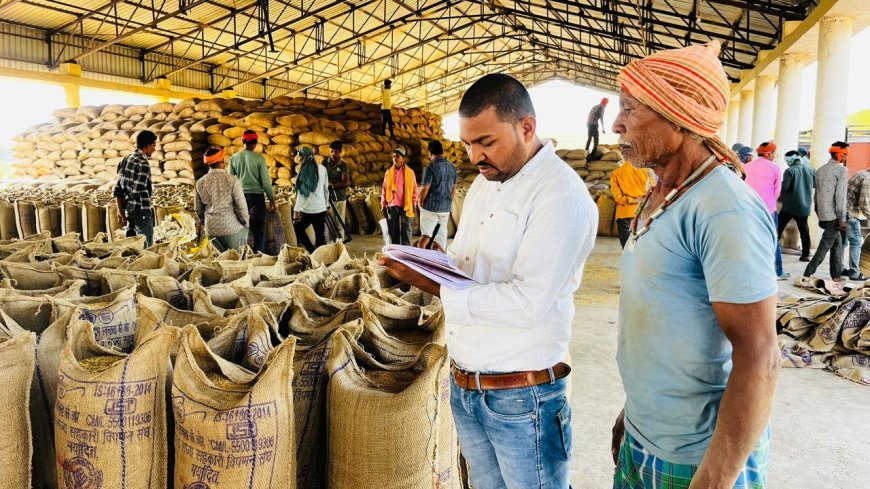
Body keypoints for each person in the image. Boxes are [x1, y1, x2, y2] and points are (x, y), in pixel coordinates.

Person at [377, 73, 597, 488]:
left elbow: (527, 304)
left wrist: (433, 285)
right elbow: (470, 268)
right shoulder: (483, 183)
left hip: (522, 397)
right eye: (467, 143)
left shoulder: (559, 196)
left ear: (526, 127)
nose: (475, 155)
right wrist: (434, 260)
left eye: (486, 142)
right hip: (467, 385)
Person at [612, 41, 779, 489]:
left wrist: (713, 480)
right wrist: (632, 414)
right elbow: (666, 326)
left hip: (697, 457)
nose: (616, 124)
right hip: (646, 439)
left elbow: (760, 358)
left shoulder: (724, 208)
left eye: (631, 109)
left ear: (678, 117)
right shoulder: (661, 193)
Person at [803, 142, 850, 282]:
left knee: (837, 244)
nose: (846, 157)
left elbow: (816, 194)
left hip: (823, 213)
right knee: (824, 246)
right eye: (845, 154)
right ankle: (807, 274)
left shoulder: (821, 170)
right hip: (834, 215)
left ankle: (836, 275)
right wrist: (842, 218)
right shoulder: (841, 170)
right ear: (840, 154)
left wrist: (819, 212)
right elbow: (840, 196)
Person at [745, 141, 787, 280]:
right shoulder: (775, 168)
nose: (775, 155)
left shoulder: (746, 166)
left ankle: (751, 270)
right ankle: (777, 271)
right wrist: (769, 201)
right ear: (768, 154)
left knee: (750, 238)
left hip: (749, 208)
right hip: (768, 209)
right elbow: (777, 192)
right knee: (772, 239)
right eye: (774, 153)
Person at [194, 146, 250, 252]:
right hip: (231, 228)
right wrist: (246, 223)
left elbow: (198, 209)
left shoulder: (200, 182)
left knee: (218, 260)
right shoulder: (232, 180)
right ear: (222, 161)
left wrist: (204, 222)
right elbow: (241, 206)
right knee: (237, 259)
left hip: (211, 230)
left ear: (208, 165)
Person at [229, 130, 275, 253]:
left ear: (242, 141)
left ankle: (241, 254)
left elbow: (230, 182)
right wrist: (272, 200)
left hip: (239, 197)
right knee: (258, 229)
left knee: (240, 228)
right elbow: (266, 184)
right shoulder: (259, 159)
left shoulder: (234, 158)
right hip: (256, 198)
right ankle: (258, 255)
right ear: (255, 144)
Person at [114, 130, 157, 246]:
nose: (154, 149)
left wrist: (120, 209)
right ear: (147, 145)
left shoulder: (125, 159)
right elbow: (137, 190)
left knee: (131, 246)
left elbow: (118, 188)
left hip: (129, 211)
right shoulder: (143, 163)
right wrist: (127, 201)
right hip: (141, 210)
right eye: (153, 145)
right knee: (146, 246)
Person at [418, 140, 458, 249]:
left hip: (430, 208)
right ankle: (440, 256)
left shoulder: (430, 167)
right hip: (445, 209)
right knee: (441, 236)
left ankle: (424, 257)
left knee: (426, 236)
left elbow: (424, 188)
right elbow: (453, 188)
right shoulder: (452, 167)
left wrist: (421, 201)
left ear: (430, 152)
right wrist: (448, 201)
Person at [779, 150, 815, 262]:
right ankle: (805, 255)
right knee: (804, 231)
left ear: (790, 159)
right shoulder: (811, 170)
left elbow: (784, 188)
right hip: (804, 206)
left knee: (778, 228)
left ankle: (770, 250)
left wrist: (779, 195)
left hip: (789, 206)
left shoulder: (789, 171)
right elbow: (815, 184)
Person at [293, 146, 329, 253]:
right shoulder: (322, 169)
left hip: (307, 210)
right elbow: (326, 189)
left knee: (298, 228)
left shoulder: (303, 171)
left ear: (303, 157)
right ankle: (320, 257)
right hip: (321, 208)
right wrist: (327, 205)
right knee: (320, 235)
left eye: (299, 157)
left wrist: (296, 210)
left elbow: (301, 194)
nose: (299, 159)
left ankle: (312, 250)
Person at [380, 147, 418, 246]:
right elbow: (384, 189)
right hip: (392, 204)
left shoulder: (410, 172)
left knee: (406, 228)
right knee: (393, 230)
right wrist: (383, 204)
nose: (394, 158)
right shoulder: (389, 172)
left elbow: (415, 189)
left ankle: (406, 250)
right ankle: (395, 249)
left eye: (397, 156)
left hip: (407, 204)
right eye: (393, 156)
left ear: (403, 159)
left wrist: (414, 203)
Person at [610, 159, 652, 248]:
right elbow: (652, 192)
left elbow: (618, 198)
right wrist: (641, 200)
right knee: (641, 247)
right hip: (642, 212)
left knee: (627, 247)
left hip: (625, 214)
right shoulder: (646, 171)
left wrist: (634, 200)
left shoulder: (616, 173)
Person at [844, 163, 870, 279]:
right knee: (856, 242)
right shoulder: (868, 179)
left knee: (843, 243)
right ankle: (855, 273)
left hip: (842, 212)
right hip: (850, 213)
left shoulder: (861, 173)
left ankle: (840, 268)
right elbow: (864, 204)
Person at [325, 140, 350, 240]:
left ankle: (340, 244)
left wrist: (331, 185)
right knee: (329, 223)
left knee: (340, 223)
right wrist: (336, 182)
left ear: (340, 152)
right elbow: (322, 179)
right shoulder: (324, 163)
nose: (333, 154)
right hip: (328, 198)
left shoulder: (344, 165)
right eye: (331, 151)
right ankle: (331, 244)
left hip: (340, 197)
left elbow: (345, 183)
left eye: (335, 151)